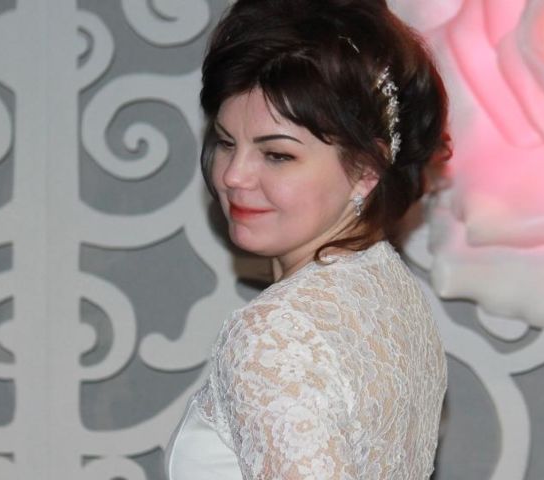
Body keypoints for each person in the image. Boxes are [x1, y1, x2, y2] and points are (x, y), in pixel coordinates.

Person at [166, 0, 451, 478]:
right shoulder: (390, 290)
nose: (233, 176)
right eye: (226, 142)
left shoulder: (275, 334)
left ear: (366, 169)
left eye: (277, 155)